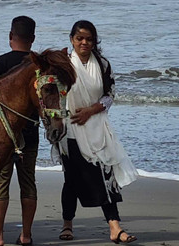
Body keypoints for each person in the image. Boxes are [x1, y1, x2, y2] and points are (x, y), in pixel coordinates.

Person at [54, 21, 138, 244]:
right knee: (71, 179)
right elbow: (52, 93)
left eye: (89, 39)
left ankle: (114, 227)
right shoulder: (63, 63)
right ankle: (67, 224)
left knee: (105, 176)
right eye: (80, 38)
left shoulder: (102, 64)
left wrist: (91, 110)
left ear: (94, 41)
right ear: (72, 39)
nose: (84, 42)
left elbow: (110, 95)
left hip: (97, 126)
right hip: (70, 128)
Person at [0, 16, 39, 246]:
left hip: (3, 135)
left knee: (1, 181)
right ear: (33, 39)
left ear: (10, 37)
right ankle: (26, 235)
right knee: (28, 181)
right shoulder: (38, 66)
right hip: (30, 131)